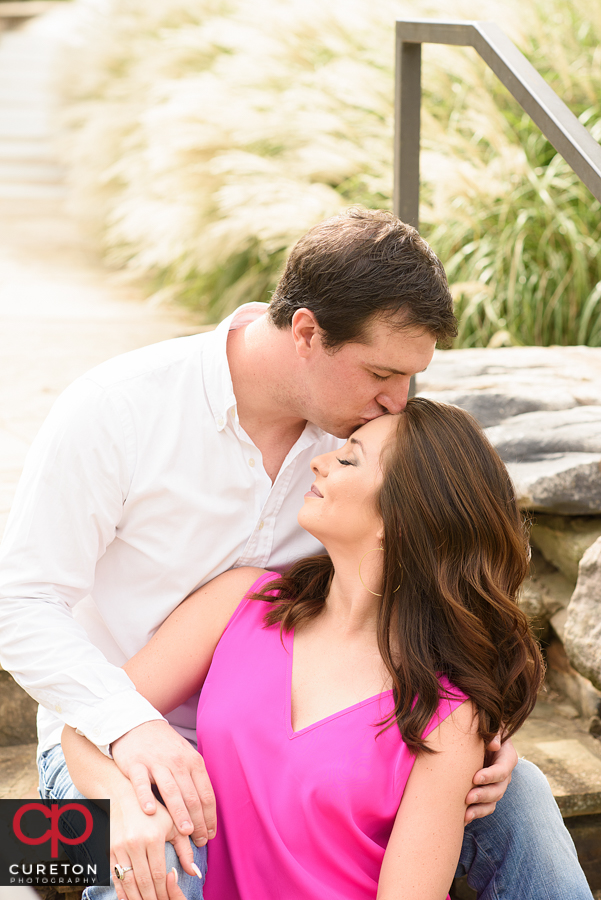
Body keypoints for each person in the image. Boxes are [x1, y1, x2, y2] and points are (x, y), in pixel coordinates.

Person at [0, 208, 592, 899]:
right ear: (306, 332)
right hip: (112, 721)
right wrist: (127, 730)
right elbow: (20, 602)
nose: (396, 401)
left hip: (312, 730)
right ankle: (23, 866)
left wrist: (476, 734)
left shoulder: (363, 437)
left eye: (409, 378)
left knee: (515, 791)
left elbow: (438, 562)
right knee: (149, 849)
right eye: (380, 371)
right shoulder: (118, 409)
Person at [62, 400, 539, 898]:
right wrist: (118, 800)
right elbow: (85, 725)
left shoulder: (446, 716)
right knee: (64, 852)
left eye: (349, 459)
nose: (320, 461)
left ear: (401, 518)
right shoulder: (242, 602)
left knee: (530, 797)